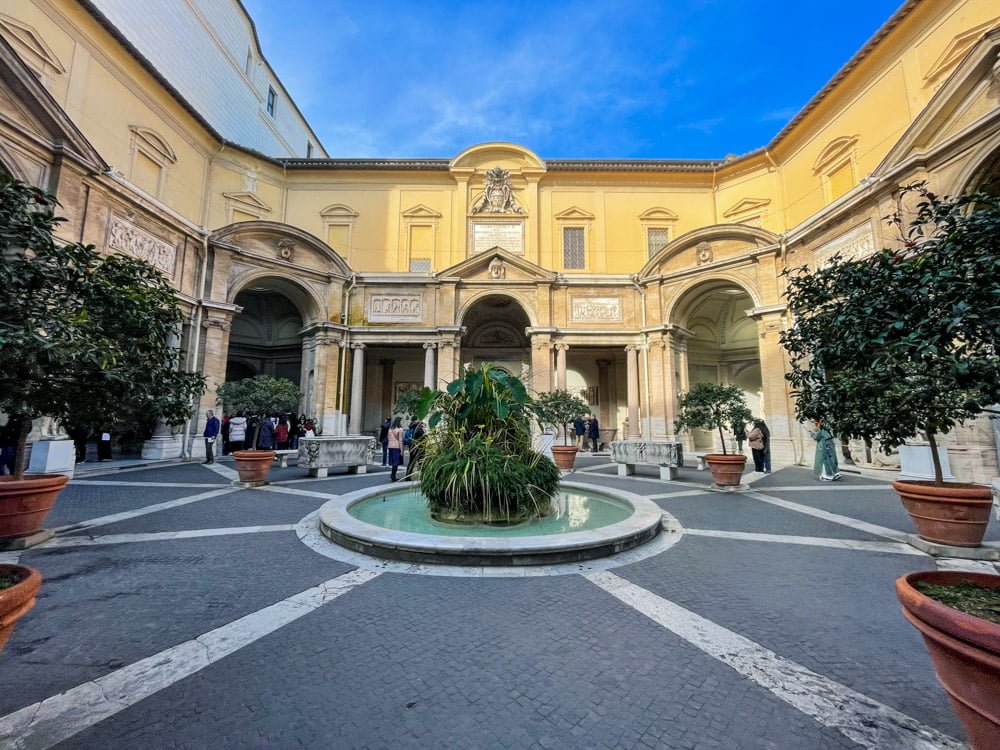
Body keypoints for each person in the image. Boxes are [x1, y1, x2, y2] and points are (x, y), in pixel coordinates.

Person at [387, 417, 404, 481]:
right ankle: (393, 475)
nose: (402, 422)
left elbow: (388, 438)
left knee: (393, 461)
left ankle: (392, 475)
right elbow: (400, 440)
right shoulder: (400, 430)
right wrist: (402, 450)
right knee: (396, 462)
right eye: (401, 421)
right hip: (397, 446)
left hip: (390, 446)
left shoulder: (390, 429)